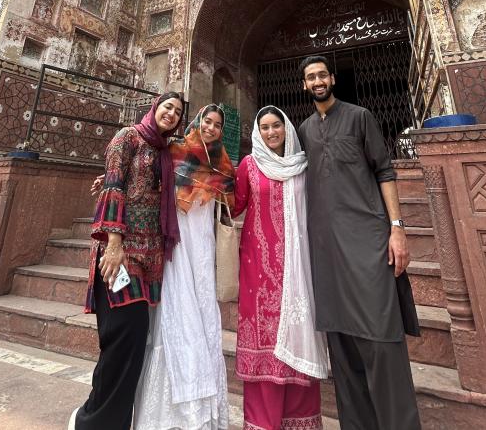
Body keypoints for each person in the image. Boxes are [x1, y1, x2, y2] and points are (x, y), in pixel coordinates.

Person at [298, 55, 421, 430]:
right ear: (304, 85)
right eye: (310, 77)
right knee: (342, 342)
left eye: (322, 74)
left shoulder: (359, 116)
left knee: (381, 337)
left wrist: (396, 227)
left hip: (368, 238)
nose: (317, 81)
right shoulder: (303, 130)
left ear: (332, 78)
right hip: (326, 247)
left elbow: (384, 170)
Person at [72, 92, 185, 430]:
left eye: (178, 112)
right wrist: (114, 243)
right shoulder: (129, 136)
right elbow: (114, 185)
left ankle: (108, 420)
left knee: (133, 346)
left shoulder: (165, 153)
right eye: (167, 107)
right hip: (119, 256)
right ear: (155, 108)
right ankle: (92, 421)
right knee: (121, 340)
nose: (172, 114)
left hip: (148, 259)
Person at [134, 104, 236, 430]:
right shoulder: (176, 150)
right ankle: (173, 405)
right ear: (196, 122)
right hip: (178, 239)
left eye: (217, 124)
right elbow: (148, 174)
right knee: (178, 310)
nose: (210, 128)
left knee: (202, 307)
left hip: (203, 244)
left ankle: (204, 400)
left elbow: (232, 198)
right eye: (206, 121)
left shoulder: (222, 163)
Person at [232, 105, 328, 430]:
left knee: (299, 336)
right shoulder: (249, 165)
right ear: (257, 133)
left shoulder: (302, 166)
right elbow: (232, 205)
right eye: (265, 128)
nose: (271, 132)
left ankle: (300, 421)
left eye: (277, 126)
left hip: (299, 270)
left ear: (287, 129)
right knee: (265, 344)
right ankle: (263, 422)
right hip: (258, 273)